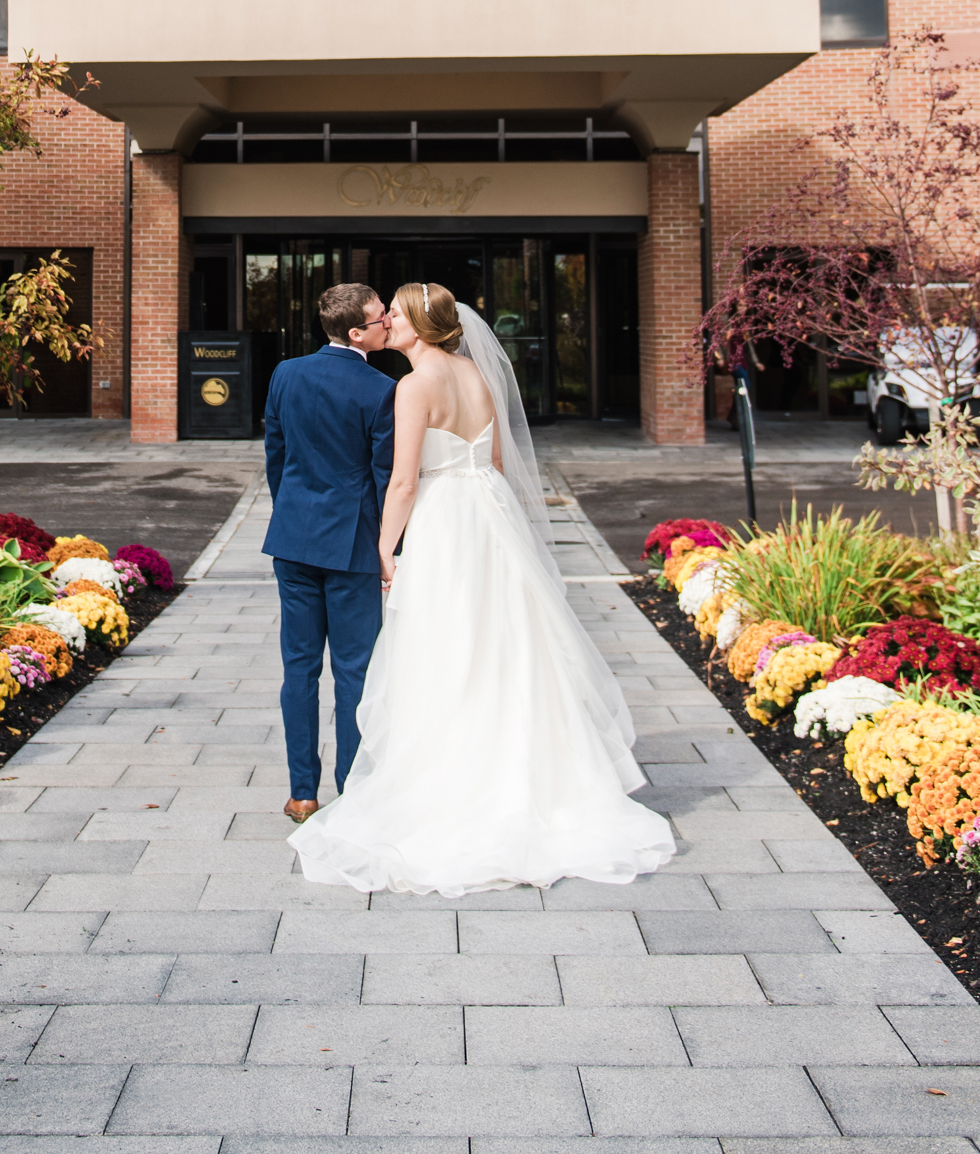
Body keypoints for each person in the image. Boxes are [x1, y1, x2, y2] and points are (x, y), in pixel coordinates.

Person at [292, 281, 676, 896]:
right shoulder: (476, 373)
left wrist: (385, 548)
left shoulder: (414, 387)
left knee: (445, 644)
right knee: (509, 640)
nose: (385, 321)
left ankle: (456, 781)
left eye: (394, 313)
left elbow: (403, 482)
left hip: (445, 518)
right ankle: (530, 770)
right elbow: (495, 460)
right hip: (490, 515)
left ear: (418, 323)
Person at [262, 281, 397, 824]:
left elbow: (276, 452)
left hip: (293, 536)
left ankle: (302, 793)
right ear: (356, 332)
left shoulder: (284, 374)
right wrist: (391, 548)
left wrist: (293, 509)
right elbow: (385, 477)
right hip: (352, 544)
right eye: (381, 316)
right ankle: (352, 789)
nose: (389, 321)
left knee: (298, 668)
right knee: (354, 671)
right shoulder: (381, 388)